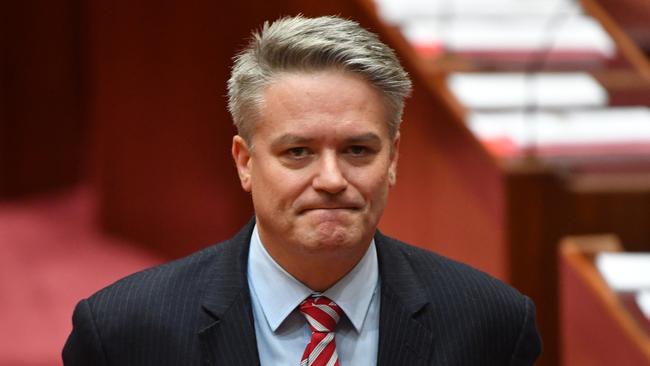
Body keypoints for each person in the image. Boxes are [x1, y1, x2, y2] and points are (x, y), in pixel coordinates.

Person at [63, 15, 542, 365]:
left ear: (393, 160)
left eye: (357, 150)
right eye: (298, 152)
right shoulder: (124, 334)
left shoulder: (491, 325)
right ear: (245, 162)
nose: (332, 180)